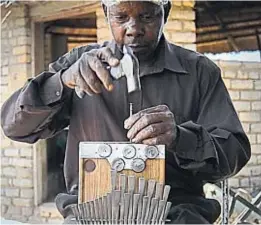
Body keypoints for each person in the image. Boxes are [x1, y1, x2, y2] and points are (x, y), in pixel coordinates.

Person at [1, 0, 251, 224]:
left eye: (147, 17)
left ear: (165, 11)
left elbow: (234, 154)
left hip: (177, 216)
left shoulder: (200, 72)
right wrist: (63, 80)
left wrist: (180, 137)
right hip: (89, 215)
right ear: (105, 12)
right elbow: (14, 127)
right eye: (121, 17)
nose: (134, 29)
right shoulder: (78, 64)